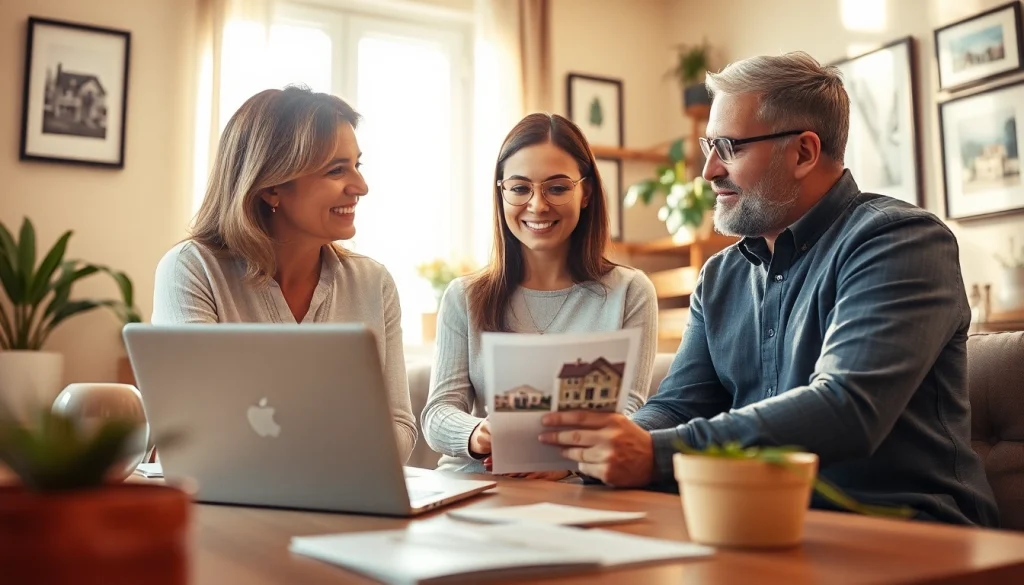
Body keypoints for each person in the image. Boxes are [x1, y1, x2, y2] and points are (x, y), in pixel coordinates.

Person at [538, 52, 1000, 526]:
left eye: (728, 147)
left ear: (803, 153)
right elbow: (678, 406)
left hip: (908, 530)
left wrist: (653, 454)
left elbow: (848, 408)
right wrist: (598, 447)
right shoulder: (720, 277)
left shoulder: (899, 240)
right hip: (760, 523)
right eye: (709, 146)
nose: (709, 170)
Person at [151, 86, 417, 462]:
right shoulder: (192, 270)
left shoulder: (374, 283)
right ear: (272, 187)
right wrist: (338, 443)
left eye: (357, 165)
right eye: (336, 170)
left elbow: (400, 428)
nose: (361, 187)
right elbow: (195, 430)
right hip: (227, 495)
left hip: (341, 494)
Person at [421, 113, 659, 480]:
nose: (537, 205)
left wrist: (568, 463)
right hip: (476, 480)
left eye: (557, 188)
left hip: (579, 485)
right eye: (519, 188)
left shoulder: (630, 291)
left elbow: (630, 414)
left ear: (586, 193)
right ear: (501, 194)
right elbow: (438, 413)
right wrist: (477, 433)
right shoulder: (464, 296)